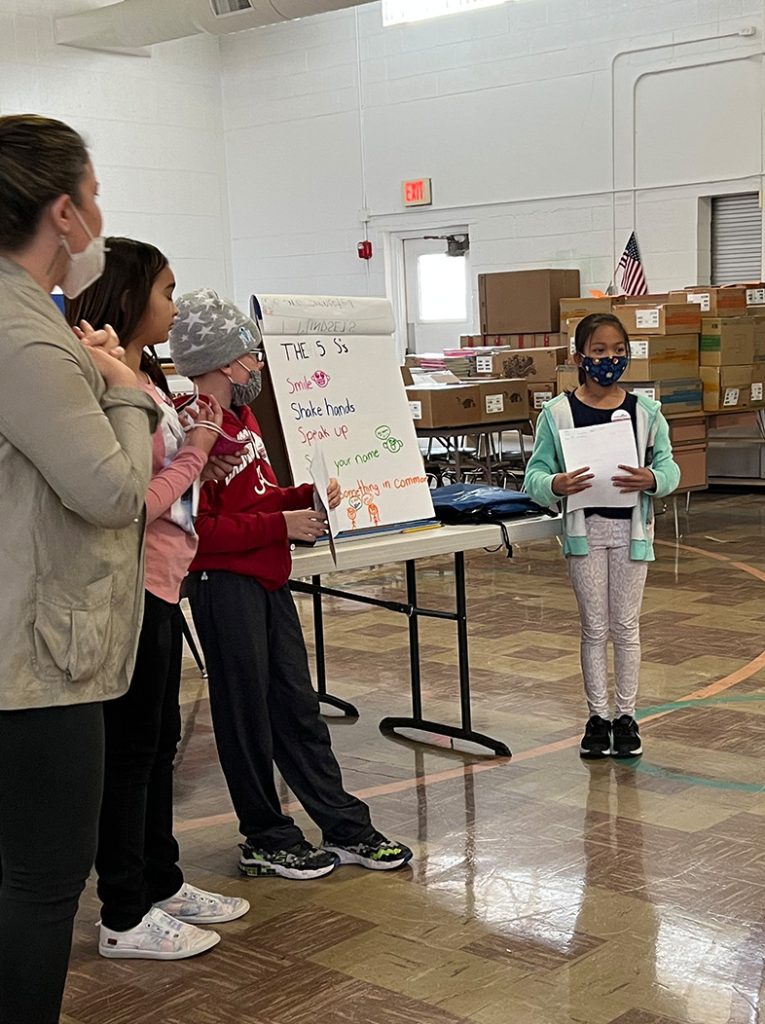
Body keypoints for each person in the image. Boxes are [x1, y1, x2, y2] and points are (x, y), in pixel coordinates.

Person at [169, 290, 413, 880]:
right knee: (246, 717)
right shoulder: (193, 428)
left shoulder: (243, 418)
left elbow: (256, 495)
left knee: (297, 708)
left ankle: (344, 825)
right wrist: (280, 525)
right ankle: (265, 834)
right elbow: (198, 530)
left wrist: (301, 498)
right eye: (251, 354)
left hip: (267, 579)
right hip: (225, 585)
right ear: (227, 361)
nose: (258, 364)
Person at [0, 116, 158, 1022]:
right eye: (93, 196)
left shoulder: (35, 324)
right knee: (43, 882)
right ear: (63, 212)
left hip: (25, 641)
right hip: (33, 663)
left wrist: (89, 372)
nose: (99, 214)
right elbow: (109, 490)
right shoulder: (22, 330)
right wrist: (127, 393)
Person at [66, 238, 250, 960]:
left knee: (159, 742)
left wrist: (202, 452)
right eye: (166, 291)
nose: (175, 307)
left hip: (165, 580)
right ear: (128, 294)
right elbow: (130, 502)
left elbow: (171, 472)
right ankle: (123, 910)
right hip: (131, 584)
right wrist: (197, 450)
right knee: (132, 750)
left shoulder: (143, 373)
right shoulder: (105, 379)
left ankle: (160, 880)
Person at [524, 313, 680, 760]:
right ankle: (597, 718)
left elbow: (670, 466)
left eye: (617, 351)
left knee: (626, 626)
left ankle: (626, 717)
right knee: (594, 627)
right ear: (579, 357)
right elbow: (535, 474)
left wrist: (654, 478)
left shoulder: (646, 412)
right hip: (584, 532)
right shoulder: (558, 413)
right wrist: (555, 484)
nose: (609, 359)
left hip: (631, 532)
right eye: (598, 351)